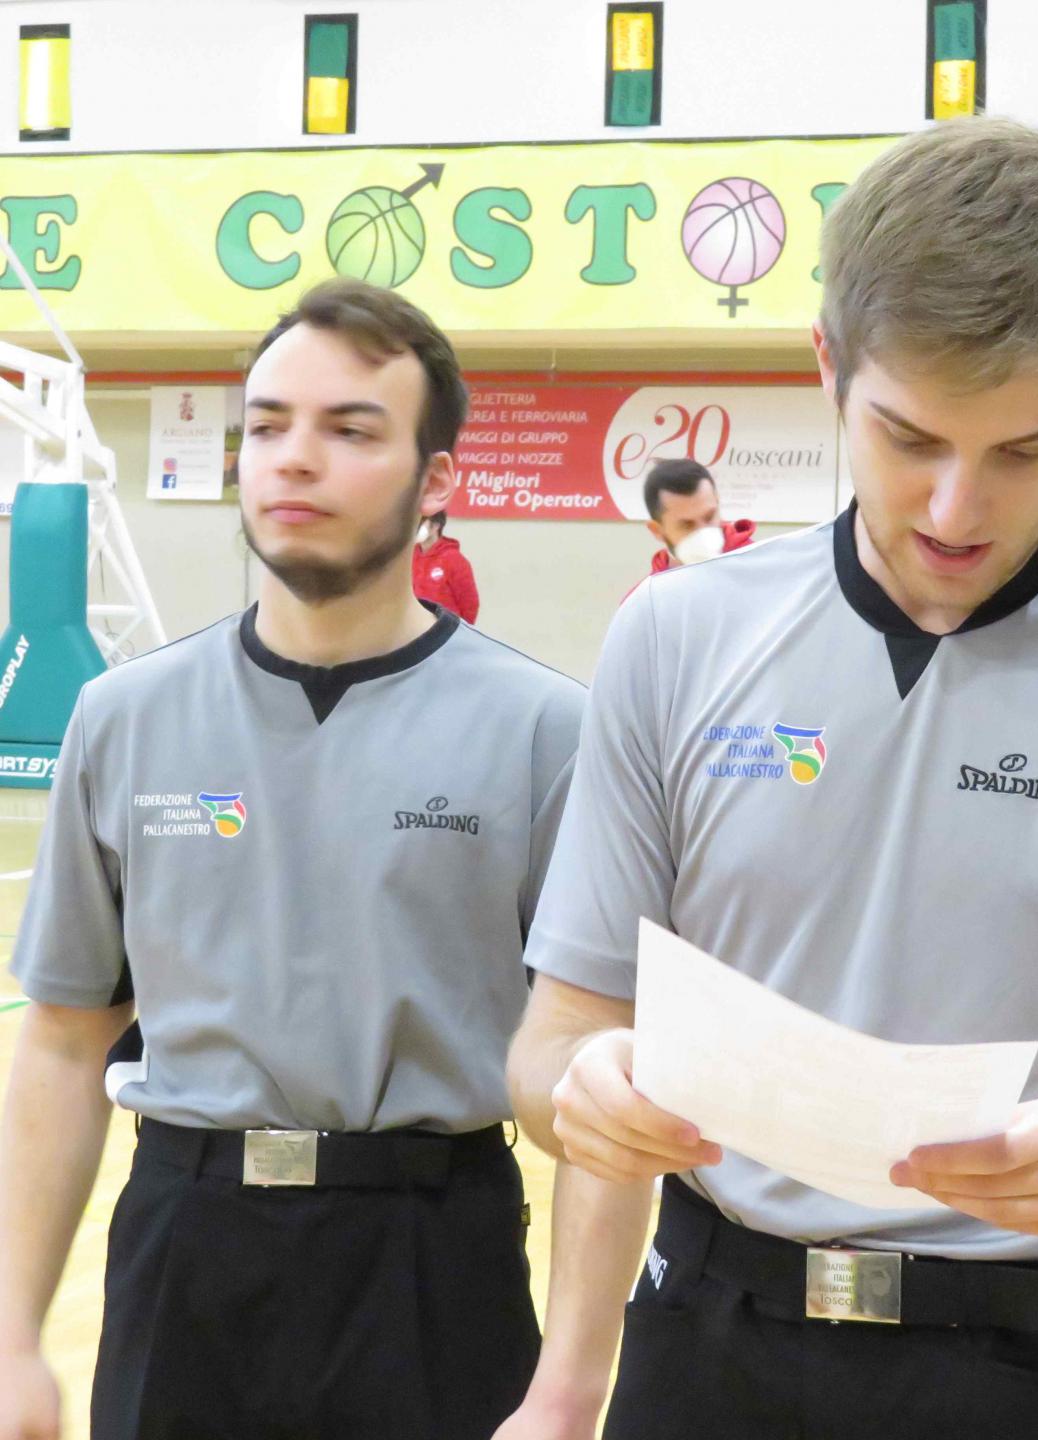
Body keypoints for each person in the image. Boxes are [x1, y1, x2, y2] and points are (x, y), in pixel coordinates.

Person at [501, 118, 1038, 1440]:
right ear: (824, 371)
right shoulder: (677, 636)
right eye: (907, 437)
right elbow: (548, 1053)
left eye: (1026, 452)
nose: (953, 510)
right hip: (709, 1354)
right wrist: (588, 1094)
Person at [0, 278, 584, 1440]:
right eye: (267, 426)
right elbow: (65, 1043)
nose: (294, 459)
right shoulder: (123, 719)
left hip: (432, 1254)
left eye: (351, 430)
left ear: (438, 481)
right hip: (183, 1244)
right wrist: (13, 1339)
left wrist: (571, 1379)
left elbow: (599, 1082)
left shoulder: (544, 731)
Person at [641, 458, 755, 577]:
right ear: (657, 530)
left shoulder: (759, 567)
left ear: (717, 501)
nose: (703, 535)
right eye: (687, 525)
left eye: (709, 517)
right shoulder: (650, 594)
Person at [413, 508, 480, 624]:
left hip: (445, 628)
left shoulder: (454, 559)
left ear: (435, 526)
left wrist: (460, 631)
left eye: (421, 523)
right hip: (416, 629)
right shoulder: (410, 557)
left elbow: (469, 603)